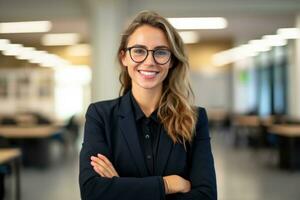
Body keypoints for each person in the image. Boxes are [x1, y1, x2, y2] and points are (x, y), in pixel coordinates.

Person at [79, 10, 217, 200]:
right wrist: (167, 184)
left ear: (172, 61)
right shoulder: (100, 115)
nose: (149, 61)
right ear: (124, 57)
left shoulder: (195, 118)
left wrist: (119, 188)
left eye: (160, 52)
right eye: (138, 51)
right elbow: (92, 192)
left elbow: (206, 196)